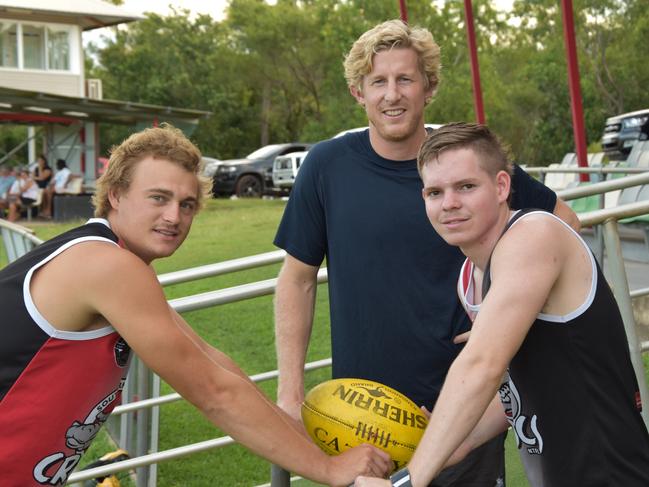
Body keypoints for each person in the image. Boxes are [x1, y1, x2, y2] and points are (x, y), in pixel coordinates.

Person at [273, 19, 579, 485]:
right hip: (360, 419)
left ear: (429, 87)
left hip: (464, 411)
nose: (391, 95)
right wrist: (290, 393)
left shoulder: (464, 160)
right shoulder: (326, 166)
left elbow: (563, 226)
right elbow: (296, 280)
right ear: (359, 92)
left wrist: (498, 309)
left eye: (405, 79)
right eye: (378, 81)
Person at [0, 125, 391, 487]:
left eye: (187, 205)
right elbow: (212, 391)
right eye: (159, 198)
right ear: (115, 195)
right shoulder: (105, 265)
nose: (174, 217)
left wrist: (311, 444)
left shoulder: (116, 261)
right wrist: (328, 469)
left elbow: (216, 364)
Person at [355, 122, 649, 487]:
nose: (449, 204)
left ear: (501, 187)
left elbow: (482, 365)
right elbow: (515, 390)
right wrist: (460, 438)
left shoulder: (534, 235)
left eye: (466, 186)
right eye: (434, 192)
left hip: (613, 472)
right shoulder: (471, 279)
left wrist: (408, 481)